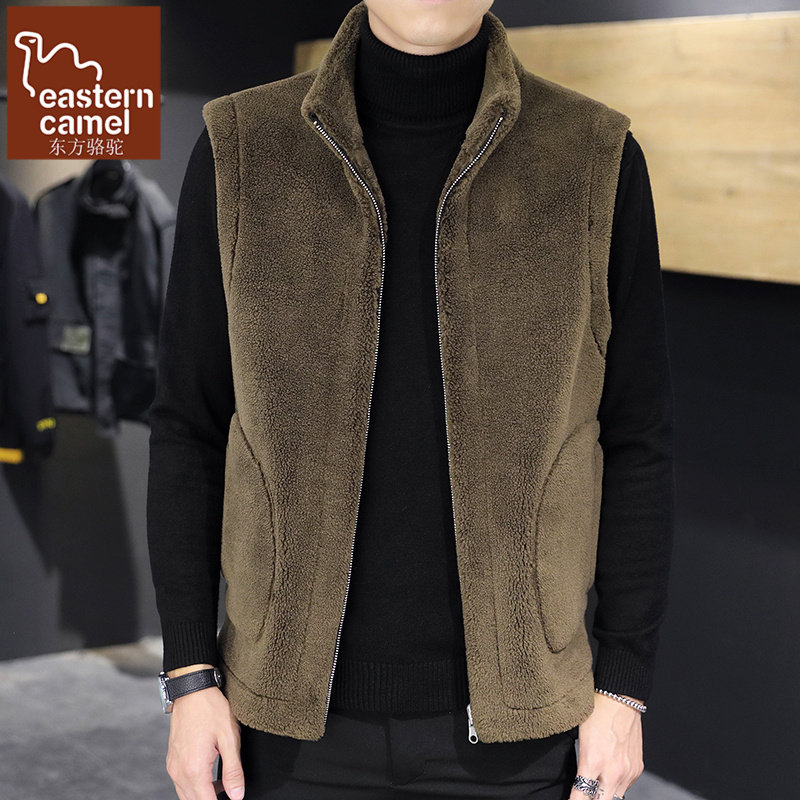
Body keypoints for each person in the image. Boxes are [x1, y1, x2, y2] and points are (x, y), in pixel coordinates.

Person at [146, 1, 675, 798]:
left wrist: (623, 685)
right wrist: (190, 674)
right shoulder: (244, 146)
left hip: (519, 733)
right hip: (285, 725)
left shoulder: (593, 157)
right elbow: (188, 424)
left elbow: (638, 438)